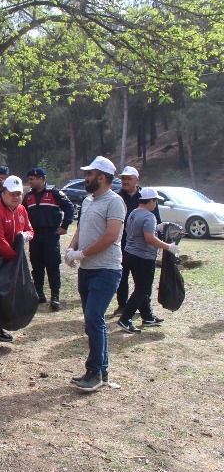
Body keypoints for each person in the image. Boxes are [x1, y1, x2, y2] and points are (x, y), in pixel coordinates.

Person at [64, 155, 126, 392]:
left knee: (94, 318)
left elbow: (111, 237)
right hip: (87, 271)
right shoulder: (89, 201)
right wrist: (71, 248)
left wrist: (82, 254)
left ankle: (95, 372)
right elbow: (80, 228)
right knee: (92, 322)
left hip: (106, 270)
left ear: (102, 177)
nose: (85, 177)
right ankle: (101, 372)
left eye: (89, 174)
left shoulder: (115, 202)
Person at [0, 175, 34, 345]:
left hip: (10, 259)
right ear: (3, 193)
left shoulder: (21, 210)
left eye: (19, 194)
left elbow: (30, 230)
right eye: (12, 193)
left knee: (5, 296)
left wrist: (25, 236)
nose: (16, 197)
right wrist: (15, 259)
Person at [117, 187, 177, 333]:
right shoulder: (149, 216)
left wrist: (156, 228)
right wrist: (168, 247)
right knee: (142, 289)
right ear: (151, 201)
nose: (155, 204)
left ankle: (147, 316)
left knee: (140, 286)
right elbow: (149, 238)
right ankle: (125, 319)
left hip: (130, 253)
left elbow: (138, 231)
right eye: (155, 201)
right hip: (143, 257)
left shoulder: (133, 213)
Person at [112, 166, 162, 317]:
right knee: (122, 276)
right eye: (123, 179)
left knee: (143, 280)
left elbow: (156, 220)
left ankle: (145, 309)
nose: (125, 182)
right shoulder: (117, 197)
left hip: (143, 245)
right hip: (121, 242)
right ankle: (122, 305)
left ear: (136, 180)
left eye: (128, 179)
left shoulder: (147, 197)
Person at [23, 167, 75, 310]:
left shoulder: (54, 193)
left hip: (51, 235)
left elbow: (70, 208)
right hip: (35, 236)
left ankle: (55, 296)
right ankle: (39, 294)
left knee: (52, 266)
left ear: (41, 179)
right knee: (37, 265)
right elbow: (21, 214)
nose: (30, 182)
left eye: (32, 179)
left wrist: (64, 226)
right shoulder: (28, 197)